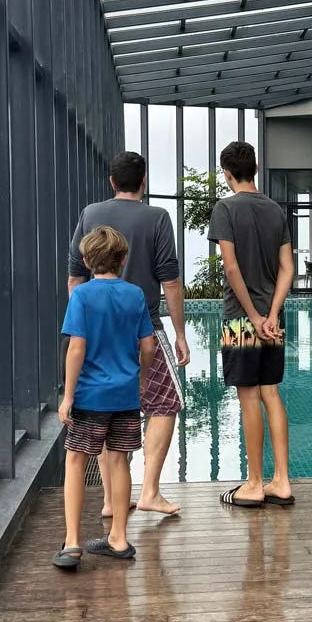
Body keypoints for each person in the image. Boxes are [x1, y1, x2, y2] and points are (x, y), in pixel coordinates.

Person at [68, 152, 188, 518]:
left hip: (98, 334)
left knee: (107, 406)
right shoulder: (157, 217)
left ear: (111, 181)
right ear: (143, 181)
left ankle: (110, 499)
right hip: (144, 325)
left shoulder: (90, 214)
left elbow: (75, 277)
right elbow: (170, 281)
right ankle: (149, 491)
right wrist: (180, 333)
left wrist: (86, 320)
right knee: (165, 403)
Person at [54, 226, 155, 566]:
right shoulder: (135, 295)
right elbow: (148, 346)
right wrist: (141, 380)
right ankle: (119, 538)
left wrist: (68, 396)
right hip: (125, 395)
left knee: (75, 460)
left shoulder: (82, 296)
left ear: (86, 261)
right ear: (123, 260)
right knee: (119, 460)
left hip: (90, 396)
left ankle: (72, 542)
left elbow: (76, 348)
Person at [207, 141, 295, 509]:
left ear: (227, 174)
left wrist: (254, 317)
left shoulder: (225, 208)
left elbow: (231, 268)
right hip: (274, 321)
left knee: (248, 399)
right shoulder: (275, 210)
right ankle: (282, 481)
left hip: (241, 320)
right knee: (270, 392)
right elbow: (288, 269)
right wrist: (271, 314)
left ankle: (255, 483)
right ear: (256, 169)